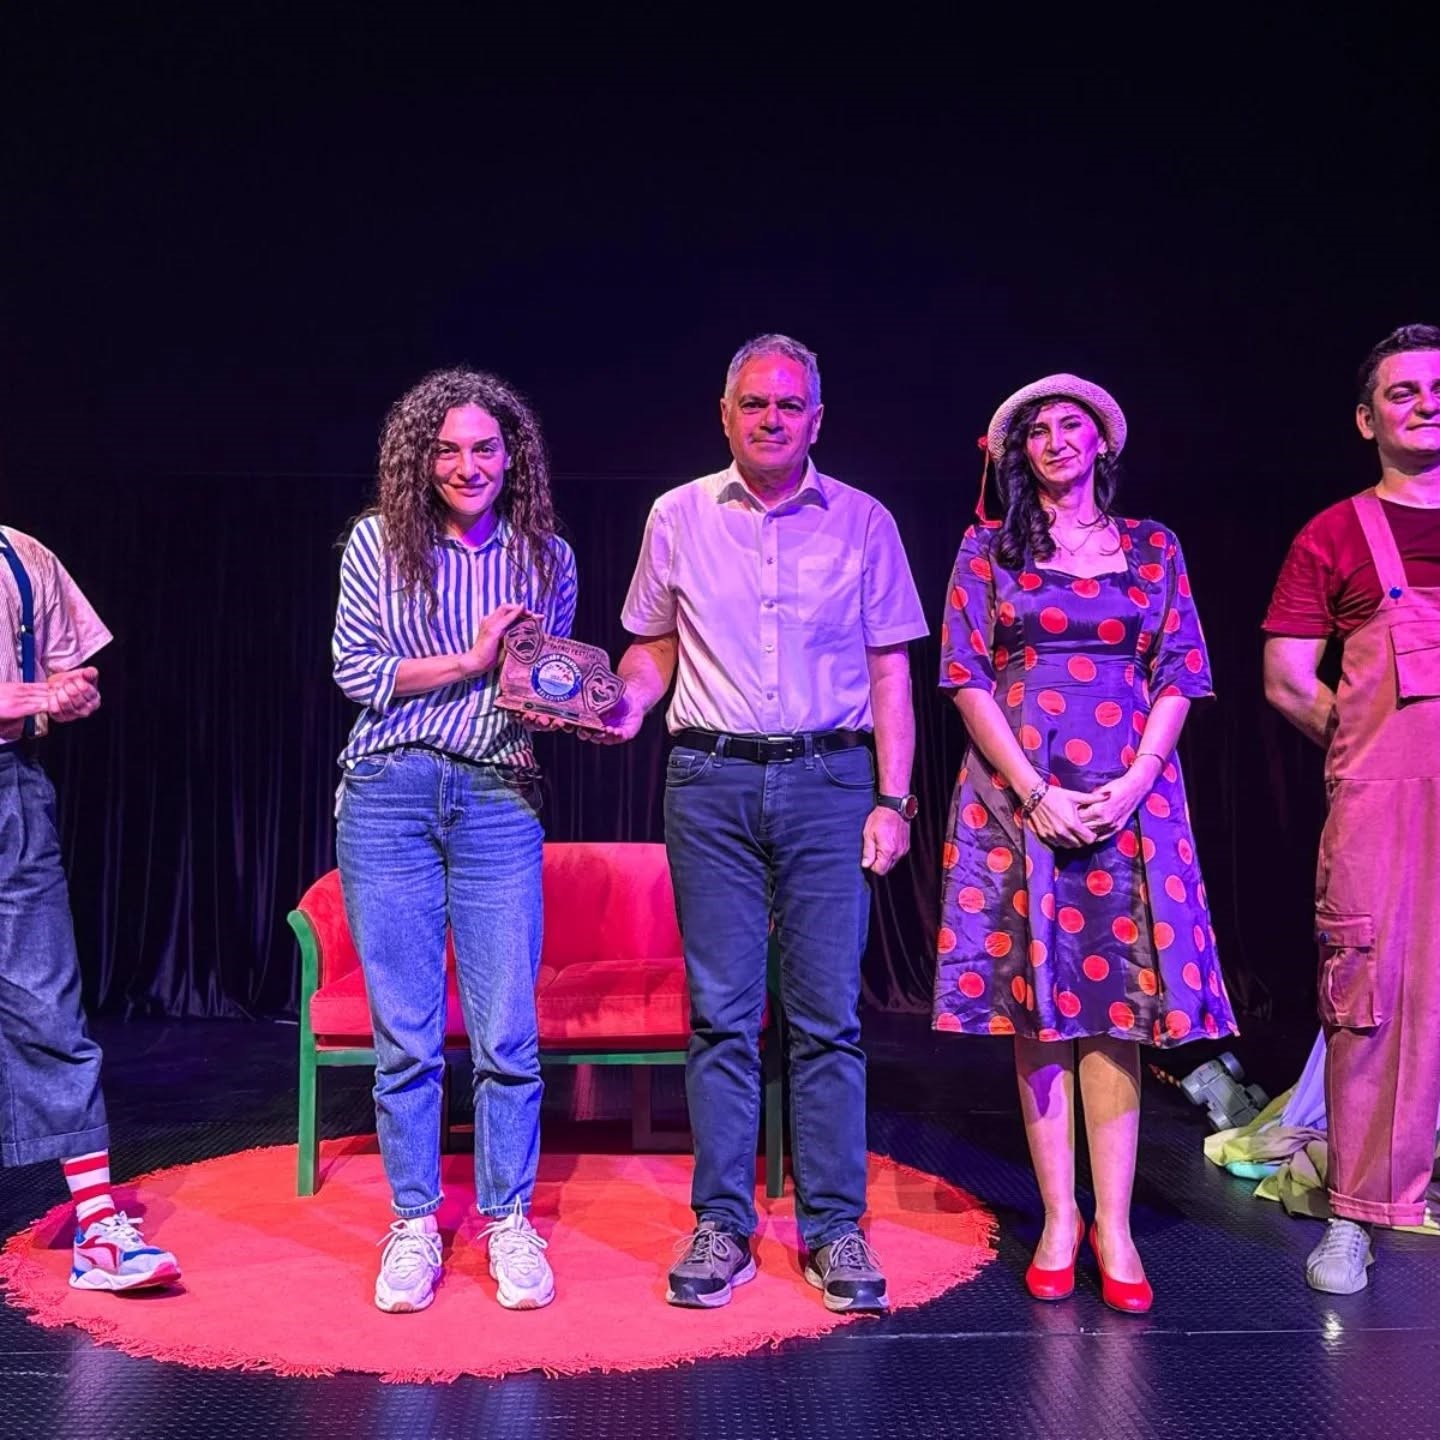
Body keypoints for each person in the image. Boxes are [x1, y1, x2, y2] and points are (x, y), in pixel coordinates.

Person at [593, 333, 927, 1312]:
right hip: (711, 780)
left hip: (830, 781)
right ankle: (723, 1224)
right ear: (726, 414)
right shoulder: (678, 514)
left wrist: (893, 800)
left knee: (827, 1017)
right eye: (754, 403)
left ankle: (833, 1230)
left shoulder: (865, 520)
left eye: (789, 405)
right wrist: (626, 699)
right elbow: (653, 644)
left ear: (816, 419)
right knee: (722, 1016)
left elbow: (890, 673)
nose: (771, 419)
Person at [931, 374, 1236, 1314]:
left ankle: (1116, 1224)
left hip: (1130, 798)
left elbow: (1180, 668)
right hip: (1018, 792)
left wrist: (1138, 780)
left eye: (1074, 426)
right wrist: (1033, 791)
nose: (1058, 440)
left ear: (1103, 442)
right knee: (1040, 1009)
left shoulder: (1153, 546)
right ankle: (1060, 1217)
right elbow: (964, 674)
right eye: (1039, 431)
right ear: (1019, 453)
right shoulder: (989, 548)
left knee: (1116, 1010)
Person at [332, 368, 577, 1314]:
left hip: (497, 794)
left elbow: (540, 685)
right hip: (388, 793)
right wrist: (472, 659)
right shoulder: (376, 543)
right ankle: (413, 1222)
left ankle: (508, 1218)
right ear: (419, 458)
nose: (466, 466)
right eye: (445, 450)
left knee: (507, 1030)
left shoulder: (547, 558)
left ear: (512, 455)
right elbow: (357, 671)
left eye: (483, 448)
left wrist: (568, 708)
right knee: (408, 1035)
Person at [1263, 323, 1440, 1295]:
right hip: (1384, 806)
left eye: (1439, 388)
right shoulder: (1334, 535)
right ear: (1369, 418)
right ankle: (1356, 1215)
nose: (1427, 402)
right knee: (1368, 1001)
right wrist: (1371, 752)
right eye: (1403, 391)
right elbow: (1289, 678)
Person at [1, 526, 182, 1291]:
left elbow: (67, 672)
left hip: (12, 786)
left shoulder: (23, 556)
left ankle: (100, 1228)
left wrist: (69, 691)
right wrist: (33, 694)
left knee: (48, 1006)